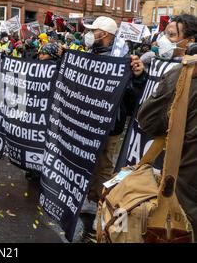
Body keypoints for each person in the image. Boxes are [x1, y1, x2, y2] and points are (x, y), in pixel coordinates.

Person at [80, 17, 147, 227]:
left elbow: (132, 95)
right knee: (89, 159)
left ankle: (100, 203)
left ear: (105, 34)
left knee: (104, 164)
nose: (89, 34)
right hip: (89, 119)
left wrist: (137, 77)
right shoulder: (90, 55)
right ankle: (90, 196)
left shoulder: (122, 59)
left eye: (94, 31)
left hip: (110, 122)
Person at [137, 15, 197, 237]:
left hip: (187, 194)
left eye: (172, 35)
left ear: (190, 42)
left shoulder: (183, 75)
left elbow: (148, 120)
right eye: (165, 34)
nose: (164, 39)